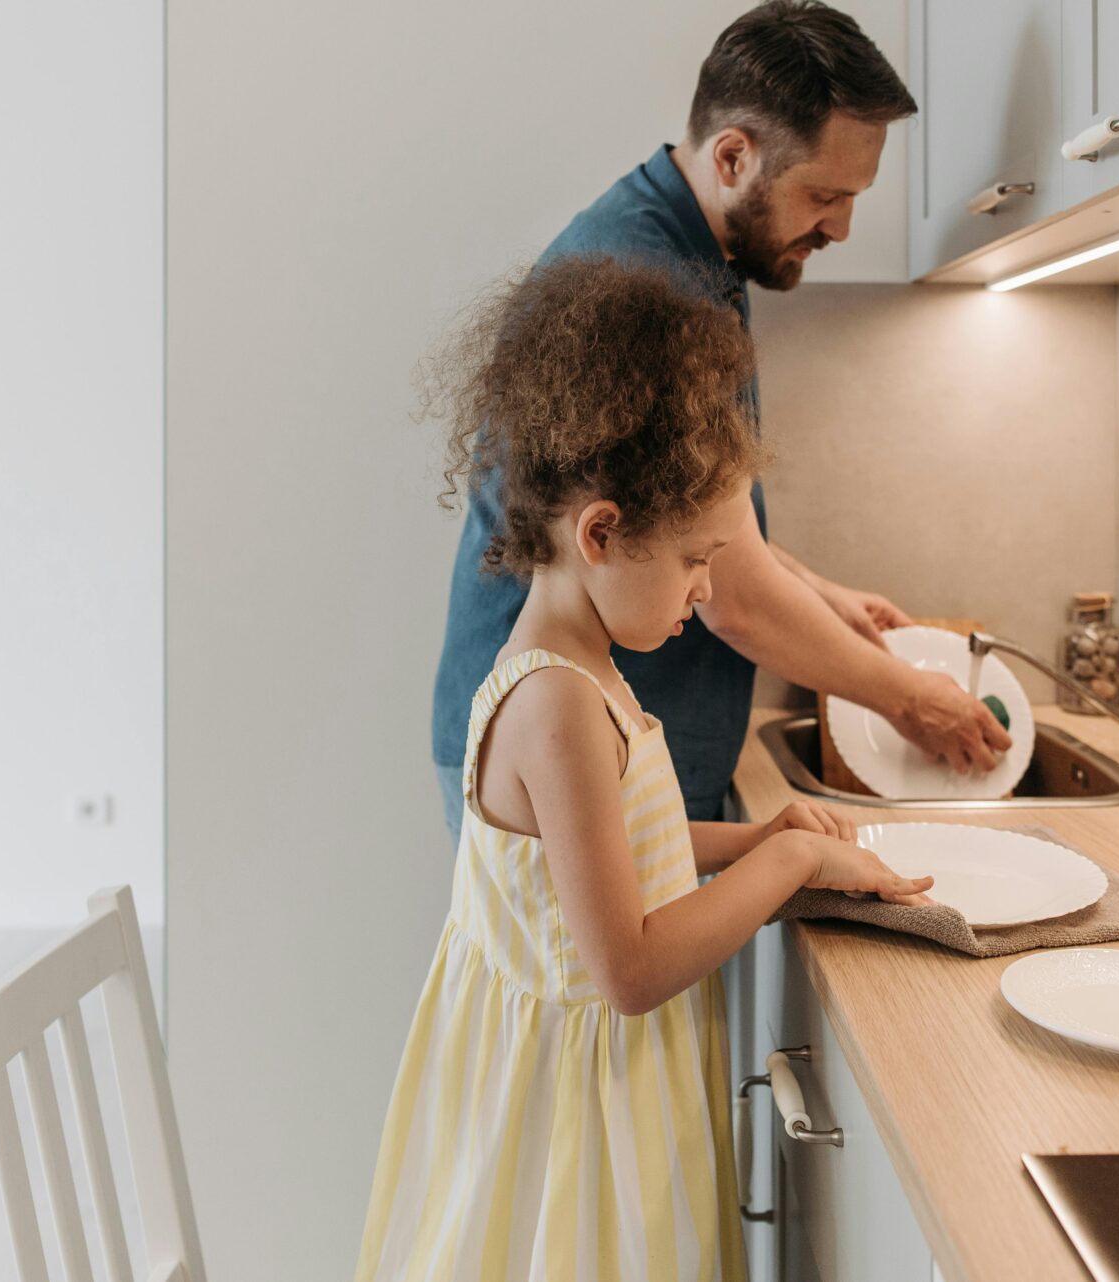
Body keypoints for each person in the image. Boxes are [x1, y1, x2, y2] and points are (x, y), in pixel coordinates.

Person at [359, 257, 934, 1281]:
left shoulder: (577, 666)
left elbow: (621, 854)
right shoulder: (560, 705)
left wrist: (761, 834)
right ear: (601, 533)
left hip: (598, 1090)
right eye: (696, 560)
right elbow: (626, 967)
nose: (707, 589)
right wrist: (787, 872)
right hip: (578, 1128)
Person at [431, 0, 1010, 836]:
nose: (841, 226)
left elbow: (682, 509)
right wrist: (914, 701)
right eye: (823, 193)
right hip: (556, 763)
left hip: (590, 754)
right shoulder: (649, 283)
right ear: (733, 155)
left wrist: (819, 591)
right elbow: (733, 600)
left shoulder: (693, 253)